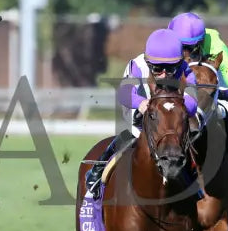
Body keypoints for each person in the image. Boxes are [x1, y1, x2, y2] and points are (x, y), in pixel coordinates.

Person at [84, 28, 197, 199]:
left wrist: (173, 109)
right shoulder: (137, 65)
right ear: (148, 63)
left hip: (170, 119)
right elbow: (125, 94)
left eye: (170, 69)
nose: (164, 74)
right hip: (140, 109)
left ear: (179, 63)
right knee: (133, 134)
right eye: (157, 69)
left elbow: (192, 103)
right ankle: (98, 170)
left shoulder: (185, 69)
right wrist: (142, 104)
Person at [167, 12, 228, 191]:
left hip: (209, 97)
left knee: (227, 115)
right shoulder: (166, 44)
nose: (185, 53)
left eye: (190, 48)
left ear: (200, 43)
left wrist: (212, 94)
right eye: (182, 47)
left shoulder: (215, 44)